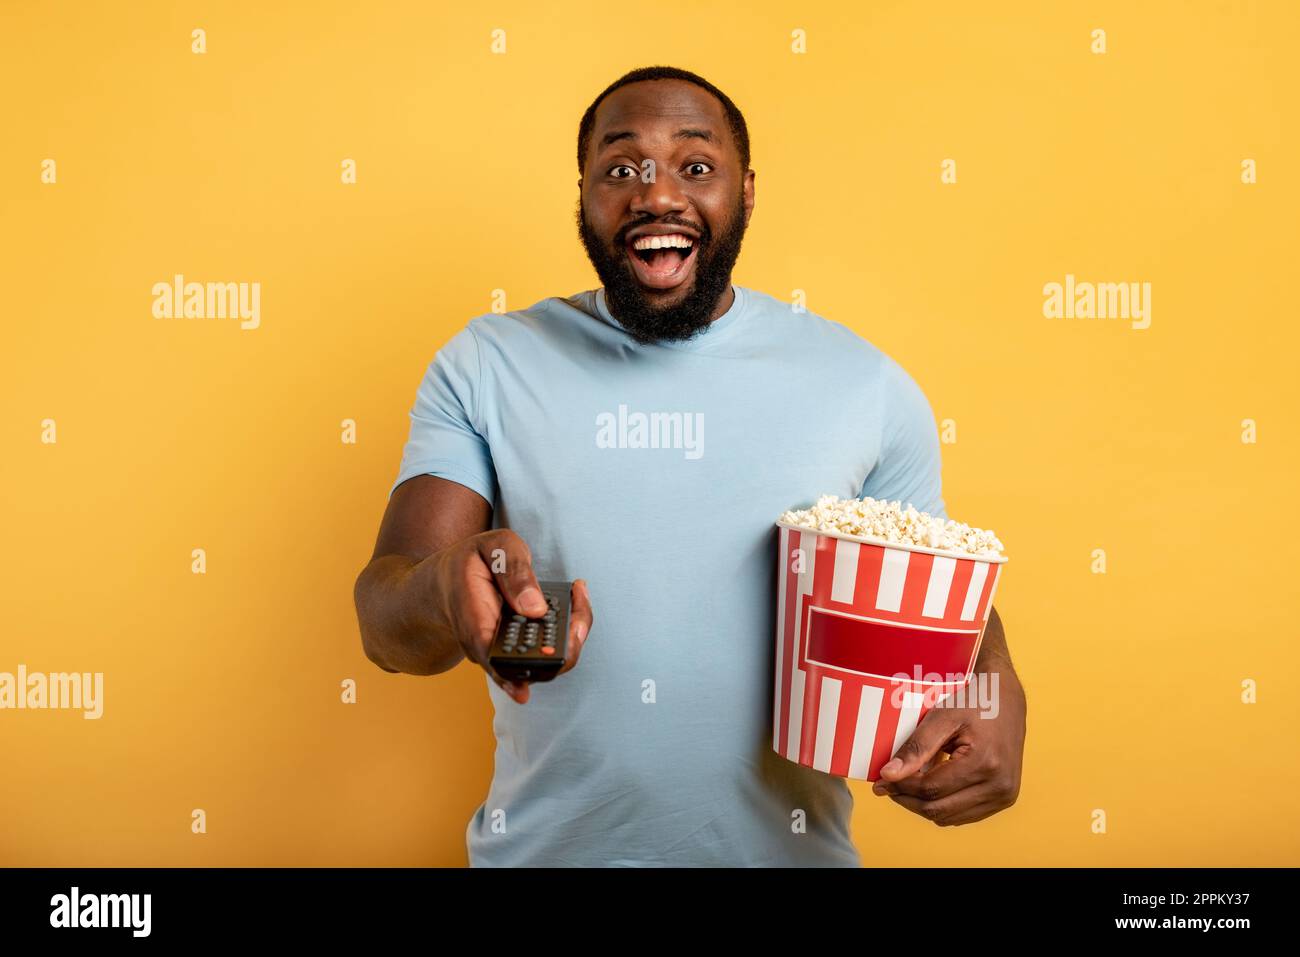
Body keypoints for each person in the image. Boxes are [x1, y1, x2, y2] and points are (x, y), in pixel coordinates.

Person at [353, 65, 1026, 867]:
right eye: (621, 168)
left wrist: (998, 688)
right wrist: (442, 583)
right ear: (583, 197)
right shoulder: (487, 364)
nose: (656, 195)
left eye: (694, 167)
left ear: (746, 191)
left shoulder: (865, 386)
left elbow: (933, 587)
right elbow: (385, 625)